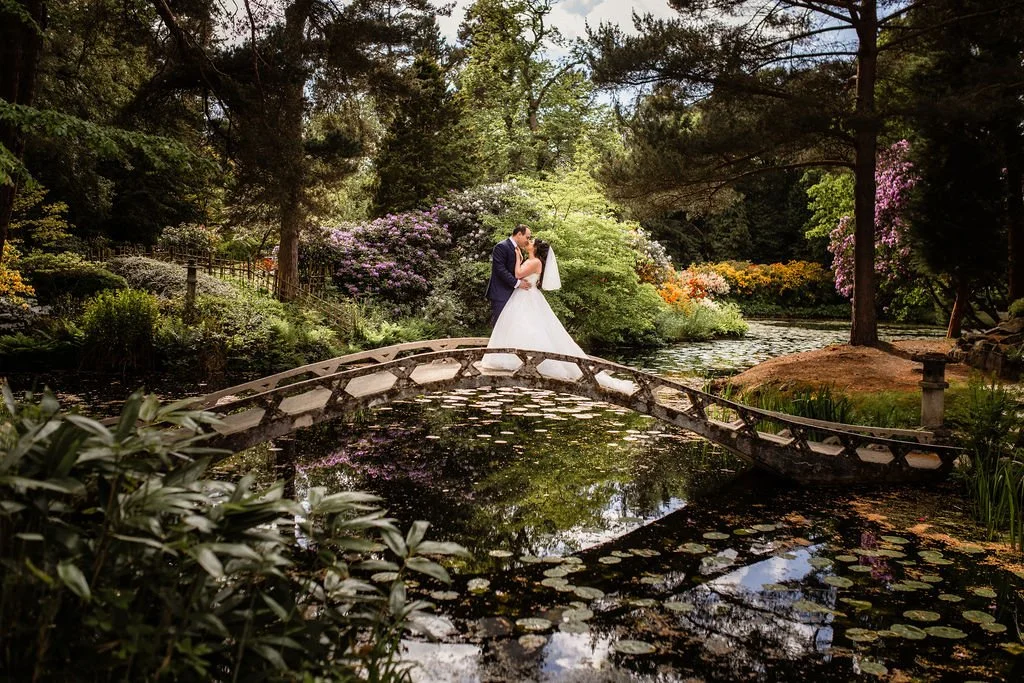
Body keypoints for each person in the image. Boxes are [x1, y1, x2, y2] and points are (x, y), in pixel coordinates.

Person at [481, 236, 635, 395]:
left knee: (528, 327)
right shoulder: (532, 260)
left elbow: (518, 274)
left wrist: (518, 258)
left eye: (532, 242)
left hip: (527, 297)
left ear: (536, 248)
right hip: (523, 296)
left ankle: (529, 361)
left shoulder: (535, 262)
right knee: (522, 327)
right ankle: (516, 360)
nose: (529, 242)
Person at [485, 224, 532, 327]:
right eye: (527, 237)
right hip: (501, 293)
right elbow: (500, 270)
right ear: (519, 234)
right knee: (500, 325)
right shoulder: (501, 246)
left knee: (510, 326)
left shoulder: (519, 250)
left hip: (514, 293)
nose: (528, 241)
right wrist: (518, 283)